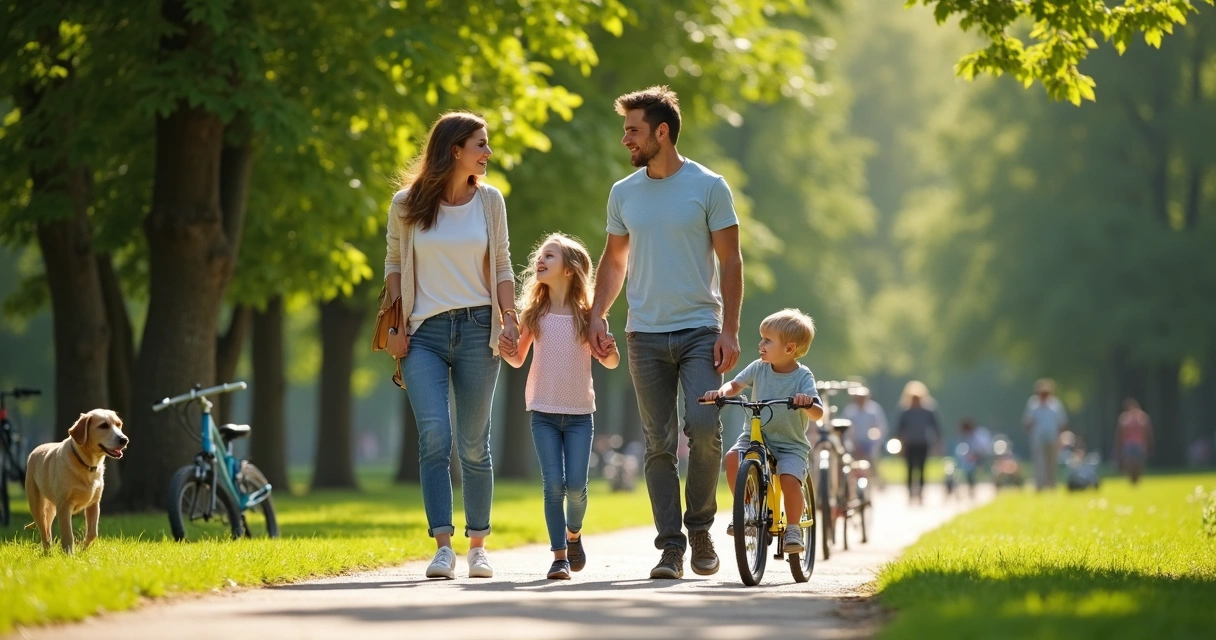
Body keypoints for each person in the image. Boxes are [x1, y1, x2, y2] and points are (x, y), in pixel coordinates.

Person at [589, 86, 744, 579]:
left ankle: (700, 529)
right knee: (657, 443)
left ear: (662, 131)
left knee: (704, 429)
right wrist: (597, 314)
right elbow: (614, 260)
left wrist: (730, 329)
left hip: (700, 330)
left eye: (633, 130)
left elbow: (731, 260)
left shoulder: (709, 186)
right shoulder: (623, 192)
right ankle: (671, 547)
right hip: (645, 335)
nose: (625, 139)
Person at [384, 111, 519, 580]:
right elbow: (394, 264)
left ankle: (477, 546)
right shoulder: (407, 203)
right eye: (481, 144)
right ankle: (443, 547)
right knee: (434, 436)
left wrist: (510, 318)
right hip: (423, 333)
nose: (488, 152)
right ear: (455, 149)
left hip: (479, 330)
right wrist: (397, 323)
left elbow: (502, 265)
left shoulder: (490, 202)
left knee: (474, 444)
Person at [499, 233, 621, 580]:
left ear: (569, 270)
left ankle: (574, 534)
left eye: (549, 256)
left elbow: (610, 362)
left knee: (576, 487)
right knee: (553, 485)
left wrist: (610, 351)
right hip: (543, 413)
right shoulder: (533, 314)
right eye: (540, 255)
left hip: (580, 415)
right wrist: (506, 350)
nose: (540, 260)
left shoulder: (589, 316)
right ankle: (559, 558)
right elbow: (517, 359)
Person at [700, 309, 824, 552]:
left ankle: (793, 529)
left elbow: (818, 413)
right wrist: (721, 393)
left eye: (767, 340)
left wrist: (806, 403)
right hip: (755, 436)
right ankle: (746, 512)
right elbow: (735, 384)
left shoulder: (802, 376)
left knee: (789, 479)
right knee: (732, 458)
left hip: (790, 444)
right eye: (762, 338)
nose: (761, 344)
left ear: (789, 348)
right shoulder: (759, 368)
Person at [895, 381, 940, 503]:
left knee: (922, 469)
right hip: (909, 444)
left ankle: (920, 492)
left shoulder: (928, 411)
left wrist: (938, 443)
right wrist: (899, 445)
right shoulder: (905, 412)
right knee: (909, 469)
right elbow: (899, 430)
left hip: (923, 443)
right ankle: (910, 492)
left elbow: (936, 428)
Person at [1023, 378, 1068, 491]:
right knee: (1039, 462)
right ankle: (1040, 485)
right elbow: (1028, 421)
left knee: (1052, 461)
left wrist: (1061, 437)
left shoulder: (1056, 404)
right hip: (1038, 438)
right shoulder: (1033, 404)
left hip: (1053, 437)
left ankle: (1052, 484)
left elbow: (1062, 422)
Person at [841, 387, 888, 466]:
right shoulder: (849, 411)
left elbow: (881, 427)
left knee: (871, 465)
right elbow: (845, 429)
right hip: (854, 444)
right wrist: (853, 443)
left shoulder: (874, 410)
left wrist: (876, 442)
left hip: (870, 445)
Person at [1114, 397, 1153, 485]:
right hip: (1134, 444)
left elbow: (1148, 431)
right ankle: (1133, 479)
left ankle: (1135, 479)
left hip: (1135, 444)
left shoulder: (1130, 417)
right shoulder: (1139, 417)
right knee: (1132, 463)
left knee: (1135, 463)